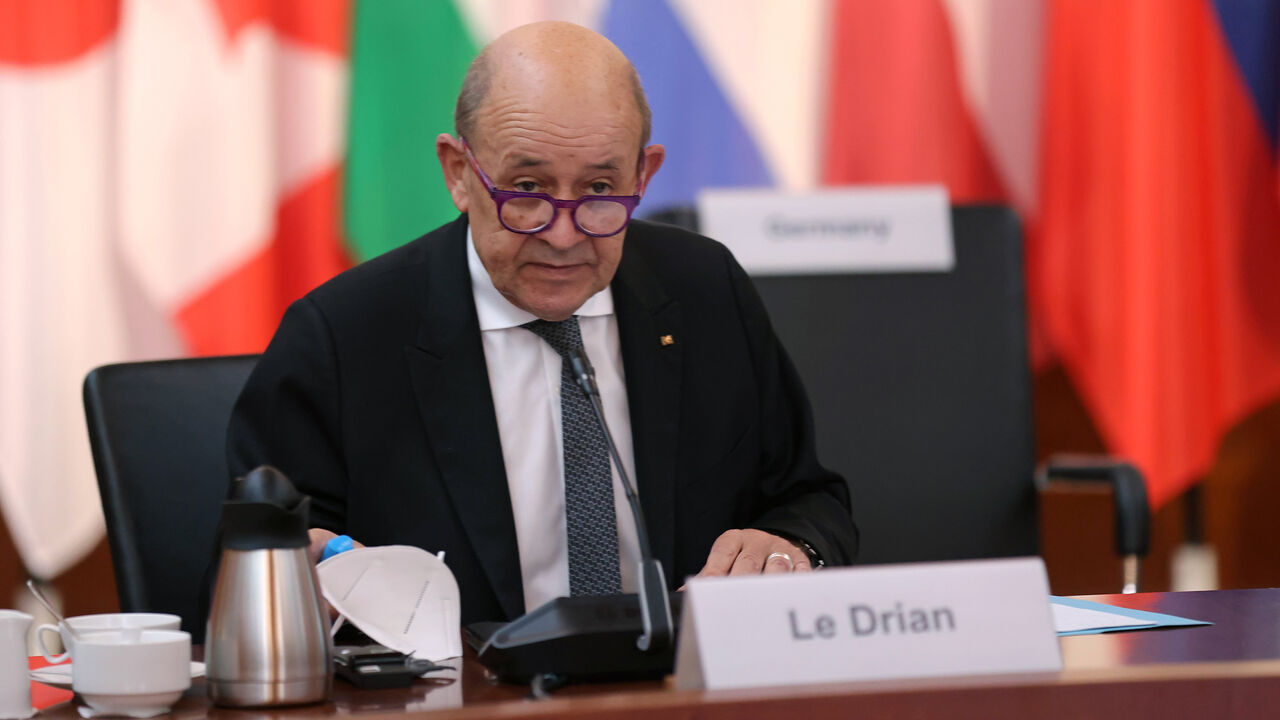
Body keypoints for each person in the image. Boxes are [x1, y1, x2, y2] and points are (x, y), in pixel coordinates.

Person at [226, 21, 858, 625]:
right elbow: (251, 565)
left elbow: (809, 501)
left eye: (600, 189)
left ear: (644, 175)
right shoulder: (344, 336)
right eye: (527, 188)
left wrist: (787, 547)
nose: (563, 235)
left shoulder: (704, 292)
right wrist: (296, 578)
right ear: (459, 174)